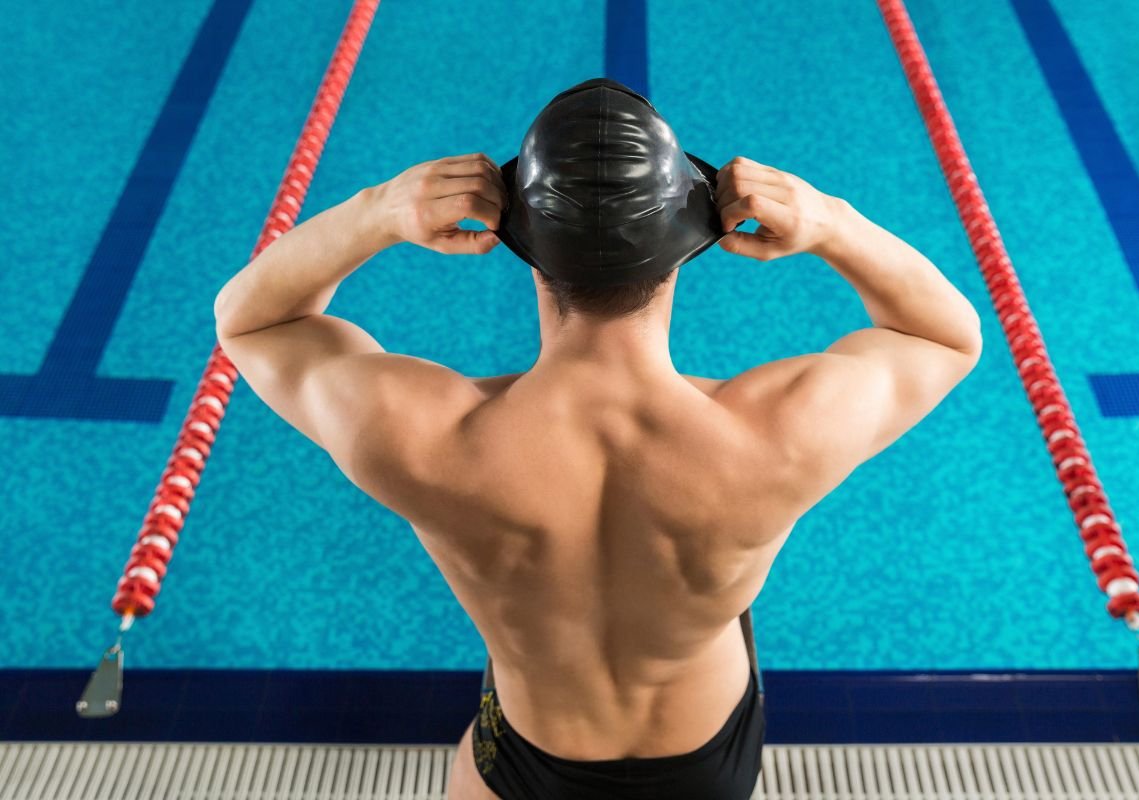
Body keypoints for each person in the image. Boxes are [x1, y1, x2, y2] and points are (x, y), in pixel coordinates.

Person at [213, 78, 982, 800]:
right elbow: (946, 338)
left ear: (514, 234)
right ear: (692, 238)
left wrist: (378, 210)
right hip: (704, 758)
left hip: (529, 753)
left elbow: (251, 321)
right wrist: (831, 224)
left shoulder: (426, 435)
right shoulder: (774, 433)